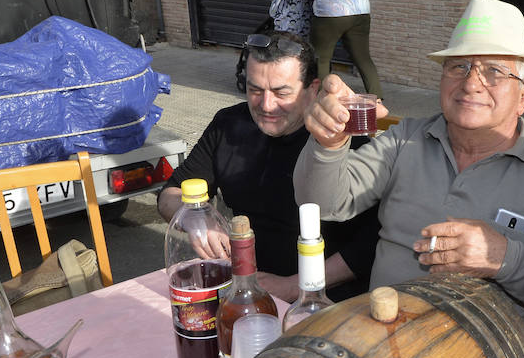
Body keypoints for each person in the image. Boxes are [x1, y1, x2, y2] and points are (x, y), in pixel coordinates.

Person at [294, 0, 524, 358]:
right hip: (386, 339)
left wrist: (503, 258)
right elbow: (326, 202)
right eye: (458, 66)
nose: (471, 82)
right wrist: (328, 144)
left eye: (494, 71)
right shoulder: (405, 140)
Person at [157, 31, 377, 302]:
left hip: (326, 297)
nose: (266, 105)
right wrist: (194, 218)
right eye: (255, 90)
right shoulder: (228, 124)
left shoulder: (341, 140)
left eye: (281, 92)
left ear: (312, 89)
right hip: (244, 286)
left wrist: (296, 286)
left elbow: (372, 242)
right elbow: (170, 193)